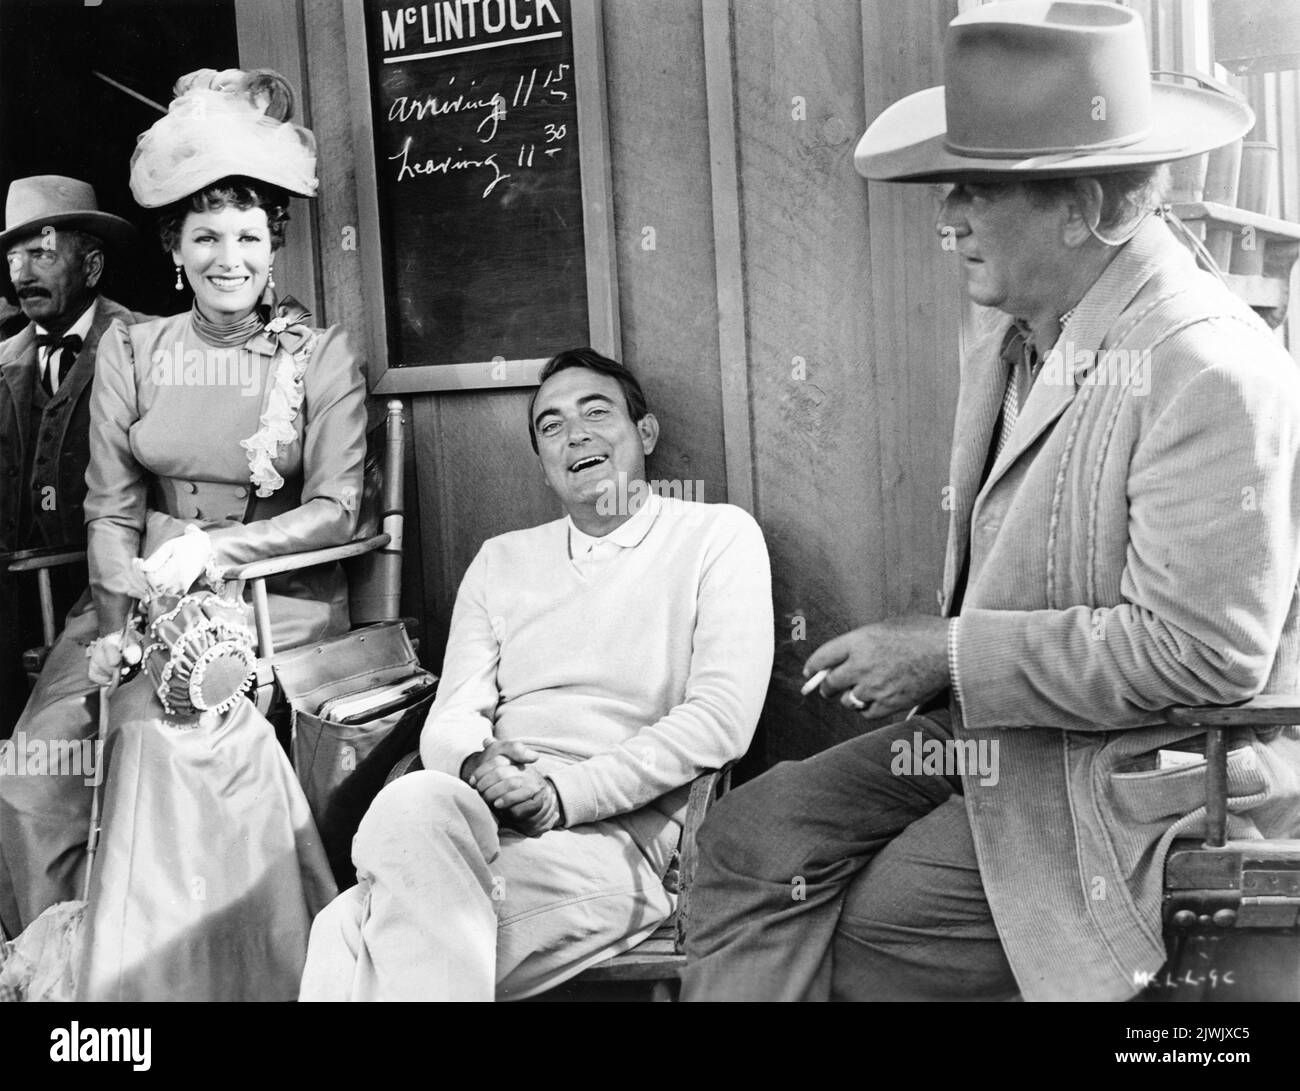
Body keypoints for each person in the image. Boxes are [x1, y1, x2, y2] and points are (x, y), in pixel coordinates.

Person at [682, 1, 1300, 1002]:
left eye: (973, 189)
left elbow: (1203, 657)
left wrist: (945, 649)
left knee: (873, 929)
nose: (947, 217)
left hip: (1142, 768)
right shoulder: (1016, 335)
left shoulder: (1205, 367)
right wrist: (949, 664)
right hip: (1011, 734)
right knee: (751, 836)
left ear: (1080, 204)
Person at [0, 68, 363, 1001]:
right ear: (175, 247)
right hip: (131, 594)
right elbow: (110, 510)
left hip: (263, 601)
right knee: (32, 768)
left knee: (160, 746)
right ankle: (77, 968)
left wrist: (216, 553)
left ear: (274, 245)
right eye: (205, 236)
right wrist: (125, 614)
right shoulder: (132, 349)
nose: (227, 256)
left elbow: (339, 509)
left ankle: (179, 986)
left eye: (248, 235)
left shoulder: (318, 355)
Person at [299, 349, 774, 1000]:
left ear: (646, 433)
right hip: (480, 823)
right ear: (545, 464)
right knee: (411, 798)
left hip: (611, 846)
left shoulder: (717, 537)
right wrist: (475, 766)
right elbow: (453, 718)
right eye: (551, 425)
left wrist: (560, 790)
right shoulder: (501, 561)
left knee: (346, 935)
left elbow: (722, 719)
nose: (574, 433)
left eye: (596, 412)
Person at [0, 176, 147, 736]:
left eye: (40, 253)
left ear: (90, 267)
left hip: (103, 596)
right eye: (14, 257)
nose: (22, 274)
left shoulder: (144, 345)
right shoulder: (5, 358)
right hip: (17, 600)